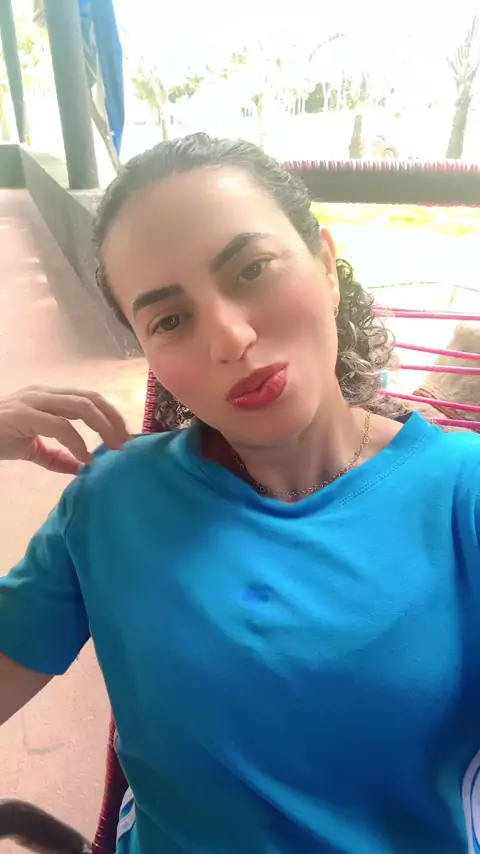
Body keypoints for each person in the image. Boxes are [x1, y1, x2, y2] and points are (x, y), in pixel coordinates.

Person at [1, 133, 480, 854]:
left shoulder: (461, 496)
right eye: (170, 319)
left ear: (325, 263)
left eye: (252, 269)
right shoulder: (113, 501)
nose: (229, 337)